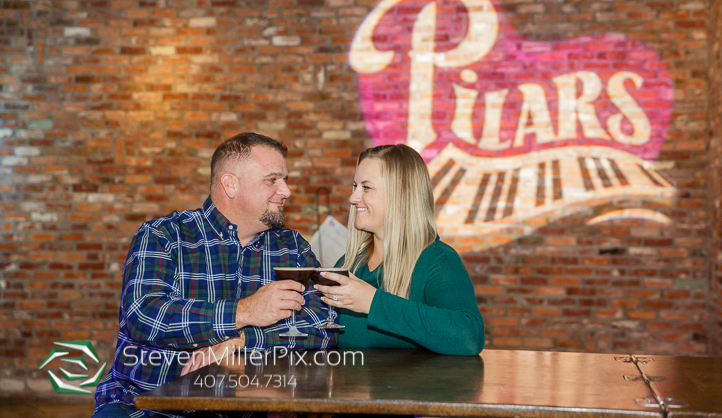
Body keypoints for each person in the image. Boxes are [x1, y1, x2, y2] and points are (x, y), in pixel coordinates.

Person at [93, 133, 336, 418]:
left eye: (285, 179)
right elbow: (145, 316)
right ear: (230, 184)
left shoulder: (291, 247)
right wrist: (246, 311)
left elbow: (323, 325)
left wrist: (241, 341)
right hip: (144, 405)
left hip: (241, 409)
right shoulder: (164, 235)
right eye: (272, 180)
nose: (286, 191)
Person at [315, 144, 485, 355]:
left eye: (366, 188)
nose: (353, 197)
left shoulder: (438, 261)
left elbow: (469, 336)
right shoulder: (350, 264)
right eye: (355, 186)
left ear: (401, 194)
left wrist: (373, 302)